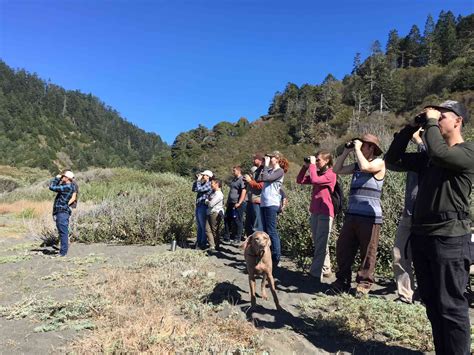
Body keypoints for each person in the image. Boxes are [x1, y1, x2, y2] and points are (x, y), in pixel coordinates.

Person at [385, 100, 473, 355]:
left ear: (458, 121)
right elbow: (392, 160)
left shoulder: (468, 152)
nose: (435, 118)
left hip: (450, 238)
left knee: (452, 306)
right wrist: (408, 129)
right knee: (433, 303)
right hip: (423, 236)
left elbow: (441, 153)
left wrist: (431, 121)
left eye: (442, 115)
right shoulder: (429, 159)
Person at [331, 134, 386, 296]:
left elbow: (365, 168)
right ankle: (342, 280)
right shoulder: (356, 165)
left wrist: (356, 149)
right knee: (343, 248)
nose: (360, 147)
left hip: (370, 216)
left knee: (368, 251)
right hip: (352, 214)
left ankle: (364, 283)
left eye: (363, 145)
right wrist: (346, 152)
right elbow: (336, 170)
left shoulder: (379, 163)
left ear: (371, 148)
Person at [385, 129, 425, 304]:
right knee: (400, 255)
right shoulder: (417, 158)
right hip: (409, 213)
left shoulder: (440, 154)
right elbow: (391, 162)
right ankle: (405, 295)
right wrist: (403, 138)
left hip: (427, 216)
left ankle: (425, 296)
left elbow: (434, 156)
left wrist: (418, 140)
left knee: (426, 259)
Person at [296, 151, 337, 282]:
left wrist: (312, 166)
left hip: (326, 212)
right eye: (316, 160)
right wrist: (305, 166)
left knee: (320, 242)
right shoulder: (317, 172)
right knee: (319, 242)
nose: (316, 162)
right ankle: (326, 269)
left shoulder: (331, 174)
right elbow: (300, 180)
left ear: (326, 161)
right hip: (315, 211)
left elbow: (315, 180)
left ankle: (315, 274)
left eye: (318, 160)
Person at [256, 151, 288, 265]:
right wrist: (262, 166)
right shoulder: (268, 170)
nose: (269, 159)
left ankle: (276, 258)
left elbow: (267, 179)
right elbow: (258, 178)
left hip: (272, 203)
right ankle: (266, 256)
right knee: (264, 231)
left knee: (271, 231)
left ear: (277, 158)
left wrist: (265, 166)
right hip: (264, 203)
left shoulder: (279, 171)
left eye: (271, 157)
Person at [49, 170, 76, 257]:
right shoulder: (70, 186)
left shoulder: (67, 187)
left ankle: (63, 252)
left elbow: (52, 187)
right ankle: (63, 251)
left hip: (62, 212)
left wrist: (56, 179)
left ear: (67, 178)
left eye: (63, 176)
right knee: (63, 231)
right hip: (62, 211)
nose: (62, 177)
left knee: (63, 232)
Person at [223, 166, 247, 244]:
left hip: (238, 203)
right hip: (231, 202)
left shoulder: (242, 180)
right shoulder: (234, 179)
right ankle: (226, 237)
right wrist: (227, 201)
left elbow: (243, 191)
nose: (233, 172)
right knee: (227, 218)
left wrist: (239, 202)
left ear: (239, 171)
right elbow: (231, 191)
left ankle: (237, 238)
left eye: (234, 171)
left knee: (238, 220)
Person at [243, 153, 264, 236]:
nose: (253, 160)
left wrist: (249, 181)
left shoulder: (262, 171)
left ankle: (257, 245)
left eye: (254, 159)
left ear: (259, 160)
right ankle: (250, 244)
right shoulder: (258, 171)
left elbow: (260, 186)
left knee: (257, 225)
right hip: (250, 200)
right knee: (249, 224)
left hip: (257, 200)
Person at [192, 170, 213, 249]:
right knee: (199, 226)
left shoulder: (209, 184)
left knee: (203, 226)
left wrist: (198, 181)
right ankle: (199, 242)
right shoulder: (202, 183)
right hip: (199, 205)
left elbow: (200, 189)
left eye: (204, 175)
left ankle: (203, 243)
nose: (202, 176)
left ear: (208, 176)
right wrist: (196, 180)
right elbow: (194, 189)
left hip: (204, 206)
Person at [205, 178, 224, 251]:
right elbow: (209, 201)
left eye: (212, 183)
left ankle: (217, 245)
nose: (211, 185)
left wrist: (207, 201)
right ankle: (212, 246)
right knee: (207, 229)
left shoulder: (219, 194)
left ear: (217, 184)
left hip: (215, 213)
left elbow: (211, 204)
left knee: (214, 230)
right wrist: (208, 201)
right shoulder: (213, 193)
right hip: (210, 212)